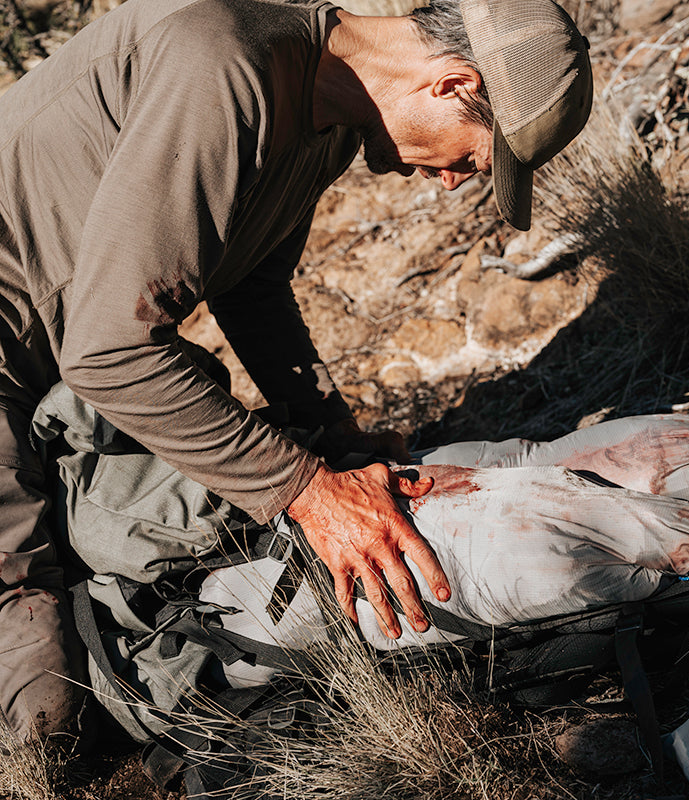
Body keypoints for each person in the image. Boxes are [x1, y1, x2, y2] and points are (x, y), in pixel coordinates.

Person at [0, 0, 592, 740]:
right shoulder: (222, 70)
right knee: (46, 706)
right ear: (451, 85)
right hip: (41, 364)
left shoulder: (329, 121)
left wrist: (332, 437)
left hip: (59, 368)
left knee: (152, 574)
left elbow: (251, 288)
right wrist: (309, 490)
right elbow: (111, 352)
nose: (451, 182)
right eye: (474, 159)